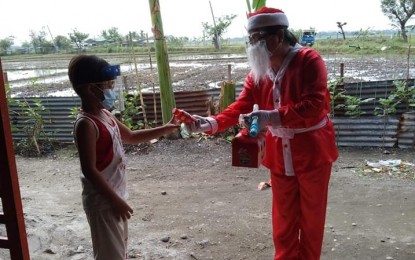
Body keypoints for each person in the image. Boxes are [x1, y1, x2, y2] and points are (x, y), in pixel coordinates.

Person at [181, 7, 338, 260]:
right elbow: (241, 106)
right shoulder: (259, 72)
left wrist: (270, 116)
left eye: (257, 38)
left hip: (312, 150)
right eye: (250, 38)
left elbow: (314, 105)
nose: (252, 44)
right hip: (279, 152)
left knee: (311, 217)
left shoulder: (309, 60)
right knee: (283, 218)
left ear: (278, 36)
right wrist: (209, 123)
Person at [68, 54, 179, 260]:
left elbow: (132, 136)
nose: (113, 90)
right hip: (103, 202)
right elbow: (89, 170)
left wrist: (166, 128)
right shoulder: (86, 124)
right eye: (109, 85)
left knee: (118, 253)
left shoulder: (106, 115)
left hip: (114, 198)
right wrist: (115, 201)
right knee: (110, 255)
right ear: (91, 88)